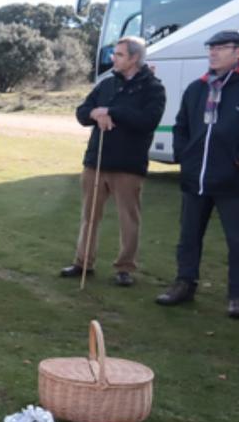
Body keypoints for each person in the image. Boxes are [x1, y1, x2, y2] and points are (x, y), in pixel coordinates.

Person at [156, 30, 239, 319]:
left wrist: (237, 160)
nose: (213, 53)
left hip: (234, 182)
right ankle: (184, 284)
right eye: (211, 48)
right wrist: (184, 157)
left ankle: (238, 296)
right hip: (196, 178)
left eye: (221, 48)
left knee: (237, 241)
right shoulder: (197, 89)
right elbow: (181, 126)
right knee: (188, 237)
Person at [59, 36, 166, 286]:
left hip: (128, 165)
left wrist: (111, 112)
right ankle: (83, 262)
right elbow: (82, 112)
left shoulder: (153, 88)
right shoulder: (107, 84)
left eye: (118, 55)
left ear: (134, 58)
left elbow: (147, 121)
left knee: (129, 219)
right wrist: (96, 113)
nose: (113, 58)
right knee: (89, 216)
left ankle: (124, 268)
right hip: (96, 162)